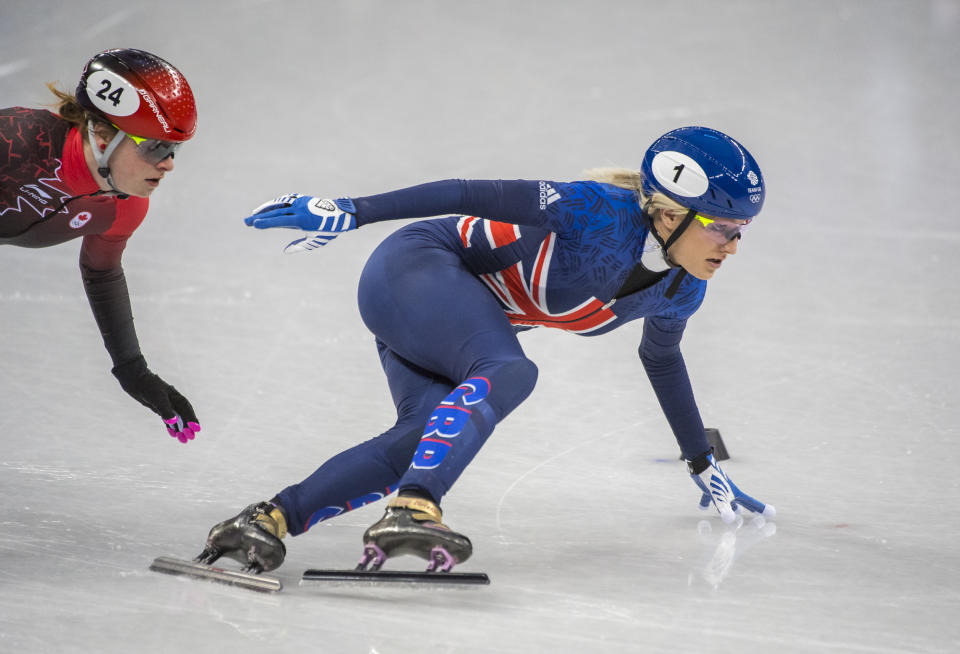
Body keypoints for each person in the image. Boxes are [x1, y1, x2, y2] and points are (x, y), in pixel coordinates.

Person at [200, 126, 776, 574]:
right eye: (723, 227)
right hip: (417, 269)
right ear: (670, 214)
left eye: (742, 230)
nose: (734, 245)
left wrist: (700, 460)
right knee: (510, 371)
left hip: (451, 322)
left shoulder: (682, 289)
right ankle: (414, 508)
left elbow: (662, 360)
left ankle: (267, 519)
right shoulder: (594, 211)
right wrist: (353, 209)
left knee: (423, 438)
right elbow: (464, 192)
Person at [1, 48, 201, 443]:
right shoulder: (15, 144)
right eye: (155, 148)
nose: (169, 164)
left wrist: (133, 369)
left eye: (175, 149)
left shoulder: (126, 208)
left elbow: (102, 271)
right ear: (104, 135)